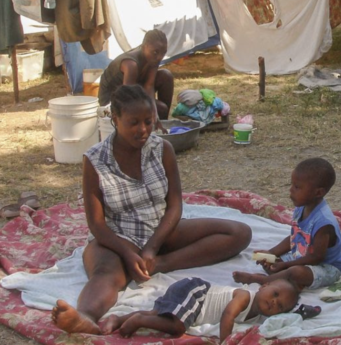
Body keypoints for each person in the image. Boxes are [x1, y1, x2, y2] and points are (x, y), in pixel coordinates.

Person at [51, 85, 252, 335]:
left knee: (239, 232)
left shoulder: (162, 149)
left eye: (148, 121)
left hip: (161, 230)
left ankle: (158, 265)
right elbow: (97, 224)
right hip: (117, 237)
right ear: (115, 119)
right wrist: (127, 253)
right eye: (133, 122)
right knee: (106, 273)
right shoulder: (95, 160)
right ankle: (85, 316)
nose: (143, 129)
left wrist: (153, 250)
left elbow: (175, 205)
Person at [233, 158, 341, 290]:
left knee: (296, 272)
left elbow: (316, 257)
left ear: (318, 192)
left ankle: (263, 280)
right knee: (271, 263)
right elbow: (294, 238)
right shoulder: (301, 208)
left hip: (326, 267)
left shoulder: (324, 223)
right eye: (291, 185)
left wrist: (287, 266)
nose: (291, 190)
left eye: (297, 187)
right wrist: (271, 253)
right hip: (304, 257)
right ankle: (287, 279)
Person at [100, 277, 299, 342]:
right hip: (196, 293)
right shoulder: (245, 296)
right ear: (263, 286)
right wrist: (225, 341)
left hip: (193, 304)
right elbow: (228, 315)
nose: (274, 302)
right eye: (274, 294)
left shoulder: (258, 318)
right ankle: (137, 321)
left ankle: (118, 319)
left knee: (156, 315)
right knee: (177, 327)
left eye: (279, 306)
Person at [98, 29, 174, 124]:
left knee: (166, 75)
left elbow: (149, 86)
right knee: (161, 108)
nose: (160, 57)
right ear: (144, 46)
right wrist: (153, 110)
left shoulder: (152, 56)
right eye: (156, 52)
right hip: (113, 99)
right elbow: (129, 99)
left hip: (133, 89)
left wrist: (155, 113)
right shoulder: (130, 64)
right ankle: (151, 125)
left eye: (164, 52)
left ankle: (162, 124)